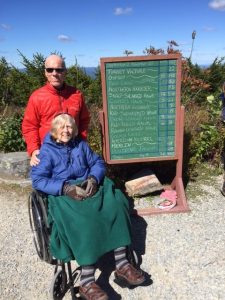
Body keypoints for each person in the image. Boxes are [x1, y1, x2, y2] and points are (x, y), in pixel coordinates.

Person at [31, 113, 145, 300]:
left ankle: (122, 264)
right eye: (62, 127)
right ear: (54, 130)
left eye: (69, 127)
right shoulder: (46, 151)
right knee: (84, 220)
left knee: (115, 204)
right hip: (63, 193)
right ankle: (86, 281)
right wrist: (64, 187)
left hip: (87, 186)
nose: (66, 130)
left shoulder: (80, 145)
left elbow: (97, 162)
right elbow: (38, 180)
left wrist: (93, 178)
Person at [22, 54, 90, 167]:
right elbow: (29, 126)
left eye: (59, 70)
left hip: (74, 151)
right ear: (45, 72)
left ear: (65, 72)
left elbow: (84, 120)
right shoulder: (37, 97)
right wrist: (34, 150)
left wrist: (82, 141)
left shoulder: (76, 95)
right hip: (49, 153)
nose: (54, 73)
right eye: (50, 70)